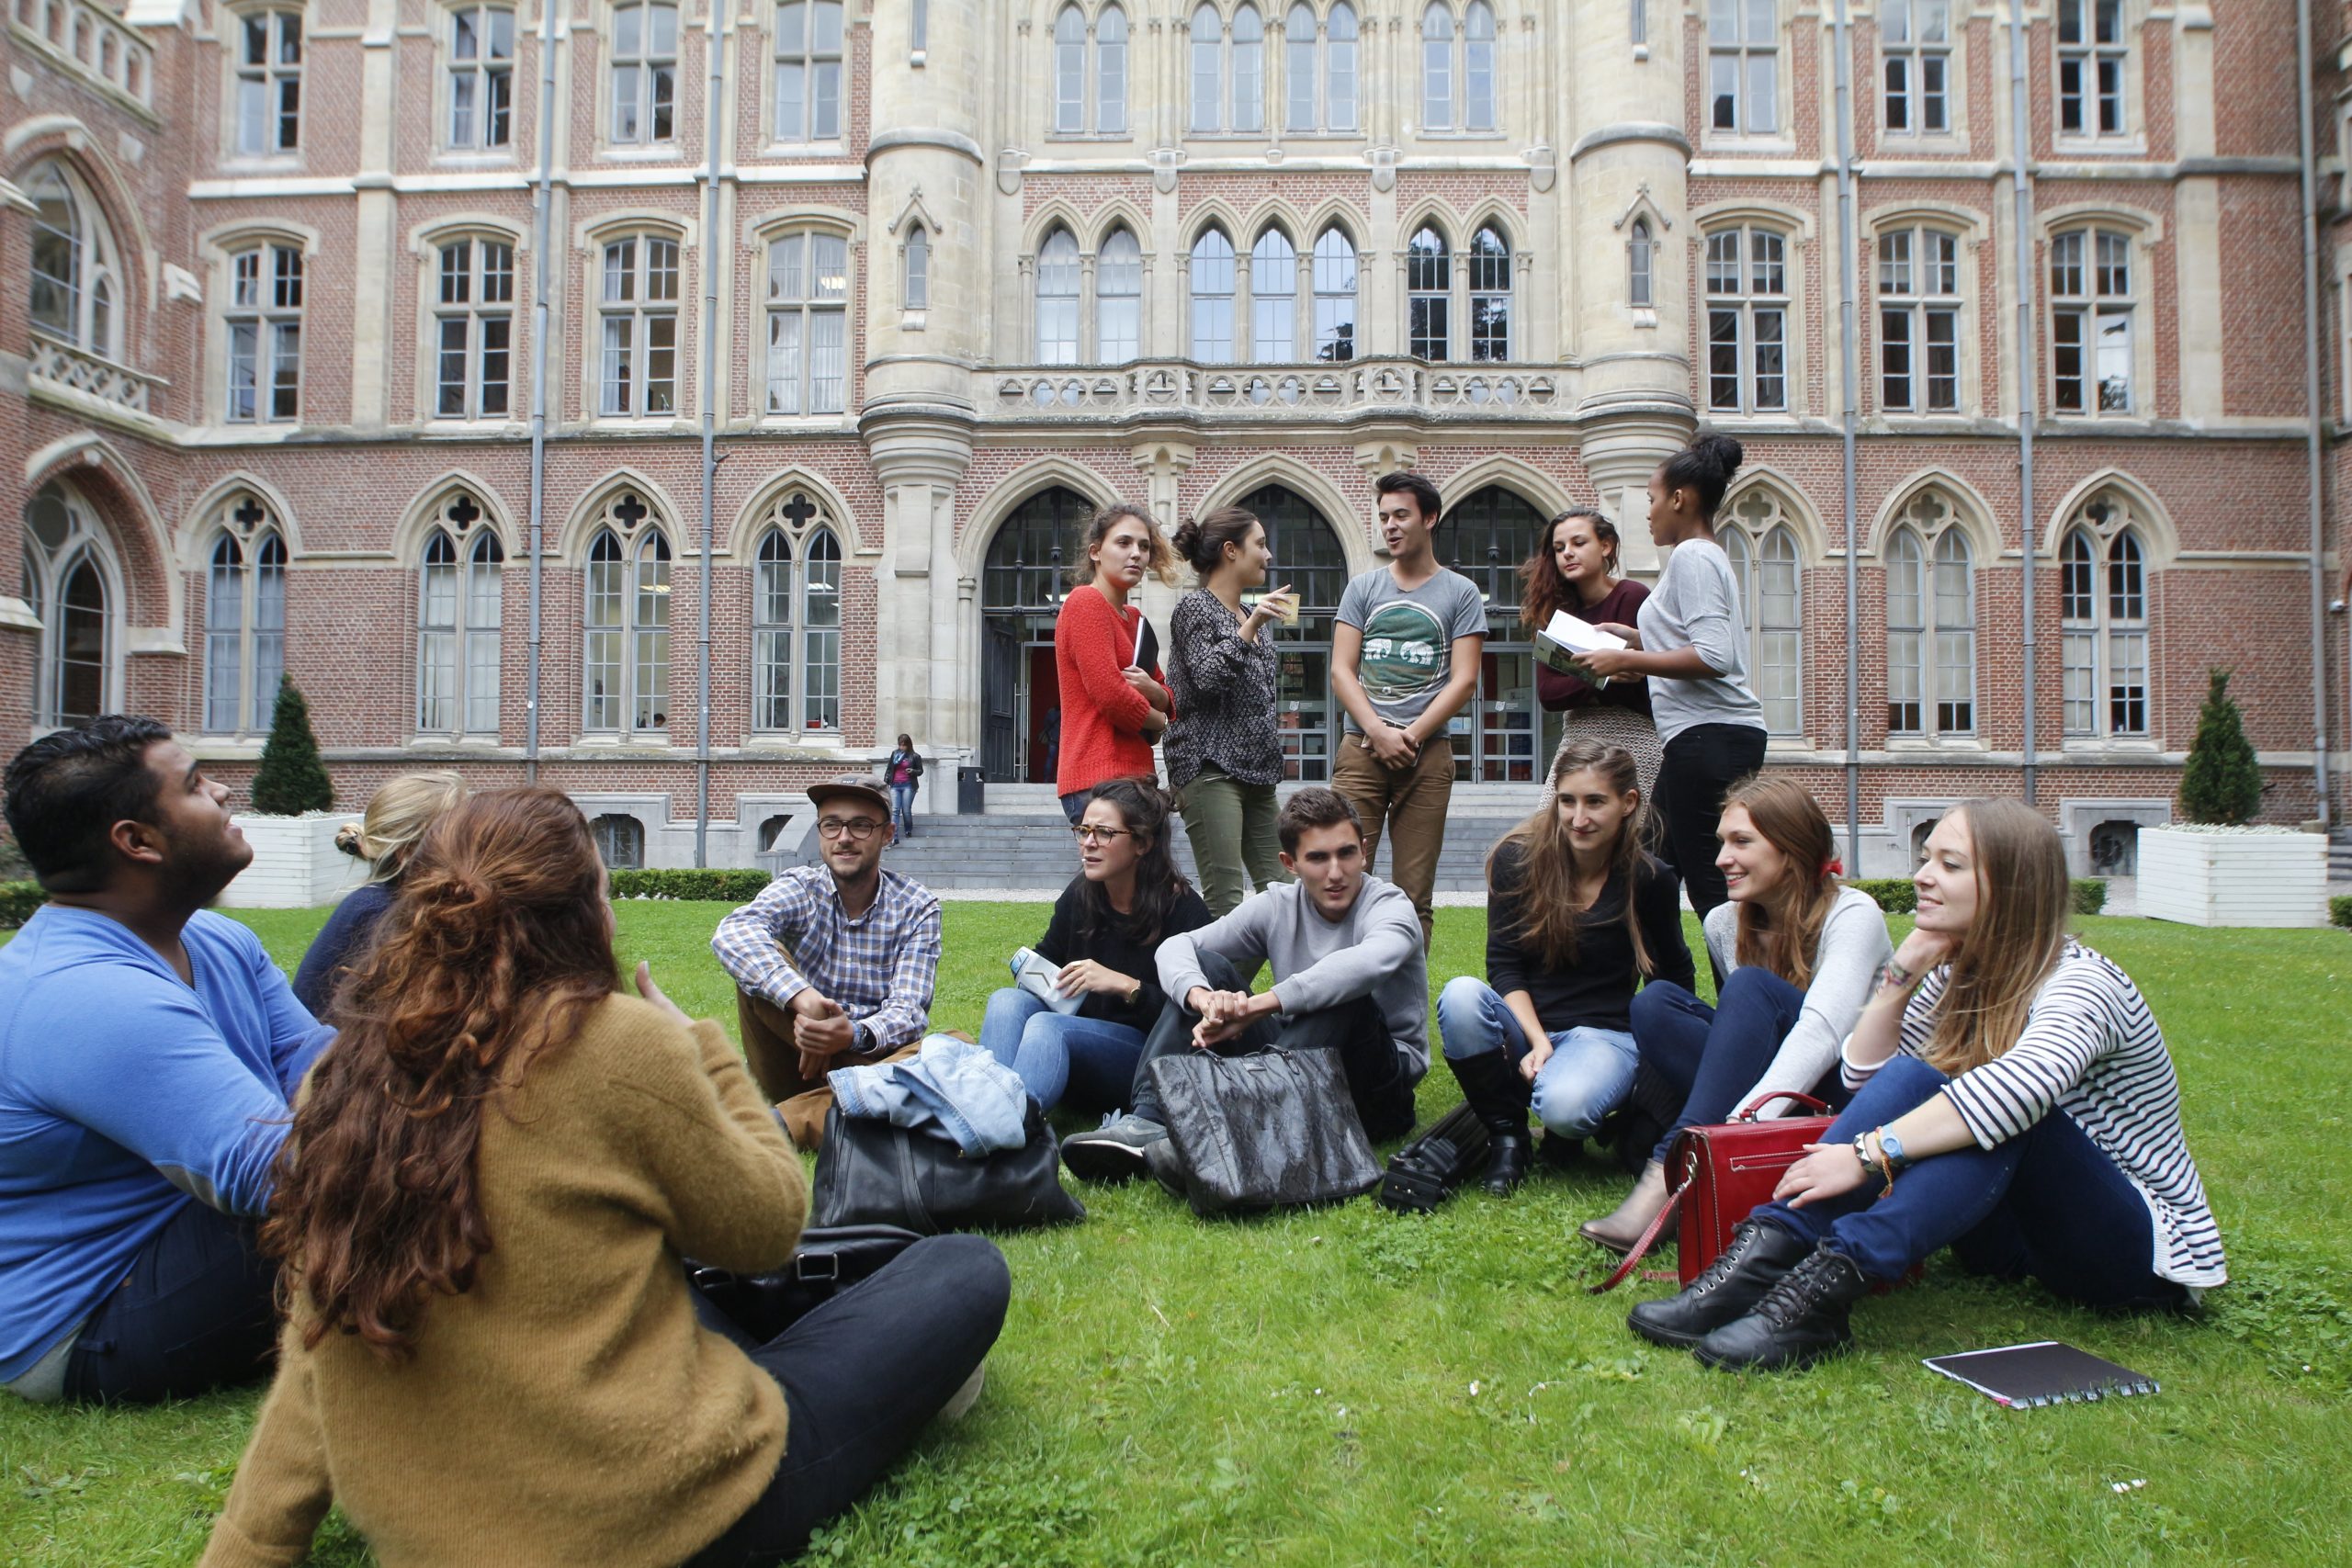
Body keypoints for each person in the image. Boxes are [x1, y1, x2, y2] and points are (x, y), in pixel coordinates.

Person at [195, 788, 1011, 1566]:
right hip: (667, 1511)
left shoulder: (342, 1076)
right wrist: (702, 1053)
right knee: (961, 1268)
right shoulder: (617, 1045)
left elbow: (317, 1337)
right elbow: (766, 1227)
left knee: (667, 1266)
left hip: (444, 1536)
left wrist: (253, 1545)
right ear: (585, 910)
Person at [1626, 798, 2223, 1373]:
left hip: (2128, 1254)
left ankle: (1820, 1292)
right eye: (1925, 857)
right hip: (2009, 1241)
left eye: (1949, 864)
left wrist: (1866, 1155)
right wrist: (1903, 972)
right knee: (1919, 1076)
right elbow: (1866, 1079)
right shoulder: (1956, 977)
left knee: (2011, 1109)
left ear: (2011, 886)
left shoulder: (2083, 985)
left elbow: (2016, 1093)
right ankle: (1764, 1259)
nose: (1922, 876)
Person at [0, 716, 334, 1405]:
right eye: (194, 784)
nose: (224, 792)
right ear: (137, 841)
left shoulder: (216, 939)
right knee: (396, 1191)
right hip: (93, 1315)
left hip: (196, 1225)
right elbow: (283, 1178)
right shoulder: (87, 994)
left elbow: (324, 1069)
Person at [1581, 774, 1890, 1251]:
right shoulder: (1725, 922)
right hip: (1768, 1093)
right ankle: (1703, 1150)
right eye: (1722, 842)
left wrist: (1743, 1126)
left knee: (1750, 988)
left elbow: (1822, 1033)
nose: (1722, 858)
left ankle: (1667, 1178)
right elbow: (1741, 1040)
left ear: (1792, 847)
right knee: (1656, 1003)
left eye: (1742, 841)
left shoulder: (1853, 914)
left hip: (1845, 1100)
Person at [1058, 787, 1425, 1180]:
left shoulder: (1391, 907)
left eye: (1346, 853)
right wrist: (1202, 999)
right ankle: (1147, 1123)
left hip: (1377, 1088)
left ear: (1364, 851)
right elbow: (1177, 947)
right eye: (1318, 858)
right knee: (1207, 965)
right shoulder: (1278, 905)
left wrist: (1254, 1008)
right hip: (1295, 1064)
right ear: (1290, 863)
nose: (1335, 872)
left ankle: (1230, 1136)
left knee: (1344, 999)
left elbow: (1362, 966)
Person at [1435, 742, 1694, 1196]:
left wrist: (1655, 1080)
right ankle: (1507, 1137)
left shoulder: (1649, 878)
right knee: (1459, 995)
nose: (1578, 818)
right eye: (1567, 801)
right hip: (1524, 1026)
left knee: (1566, 1109)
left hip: (1604, 1034)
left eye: (1595, 802)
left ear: (1628, 803)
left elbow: (1672, 980)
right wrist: (1536, 1040)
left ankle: (1571, 1119)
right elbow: (1504, 964)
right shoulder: (1517, 862)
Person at [1574, 432, 1767, 920]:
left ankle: (1749, 994)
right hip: (1698, 740)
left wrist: (1626, 662)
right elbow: (1695, 642)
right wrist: (1634, 638)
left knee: (1712, 890)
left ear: (1679, 499)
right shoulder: (1699, 557)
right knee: (1648, 876)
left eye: (1652, 499)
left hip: (1710, 739)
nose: (1648, 512)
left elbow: (1713, 656)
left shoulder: (1692, 557)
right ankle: (1663, 989)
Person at [712, 776, 944, 1128]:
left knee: (951, 1046)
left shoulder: (916, 905)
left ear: (887, 834)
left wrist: (851, 1034)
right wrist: (804, 1002)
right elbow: (734, 931)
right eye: (831, 825)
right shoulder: (800, 887)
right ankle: (869, 1103)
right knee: (761, 960)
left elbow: (908, 1012)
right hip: (798, 1061)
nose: (844, 838)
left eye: (861, 826)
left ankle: (786, 1122)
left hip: (869, 1058)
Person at [978, 778, 1213, 1113]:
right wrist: (1035, 970)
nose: (1088, 843)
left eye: (1104, 833)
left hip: (1147, 1059)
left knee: (1048, 1027)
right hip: (1077, 1043)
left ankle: (1012, 1124)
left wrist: (1127, 987)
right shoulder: (1082, 894)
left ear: (1142, 843)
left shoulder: (1183, 910)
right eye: (1083, 830)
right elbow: (1050, 955)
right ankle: (985, 1109)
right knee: (1007, 1001)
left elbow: (1194, 1019)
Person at [1329, 471, 1488, 946]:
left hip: (1428, 755)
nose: (1390, 526)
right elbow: (1341, 670)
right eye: (1383, 518)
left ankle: (1403, 1015)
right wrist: (1377, 731)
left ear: (1430, 518)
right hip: (1361, 750)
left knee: (1412, 896)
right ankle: (1337, 1004)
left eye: (1401, 515)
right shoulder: (1363, 588)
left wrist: (1410, 736)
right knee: (1338, 882)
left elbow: (1464, 680)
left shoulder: (1460, 593)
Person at [1164, 506, 1297, 916]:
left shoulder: (1246, 616)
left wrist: (1251, 622)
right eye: (1260, 544)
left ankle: (1232, 983)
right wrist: (1251, 625)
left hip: (1256, 773)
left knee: (1288, 898)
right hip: (1209, 769)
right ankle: (1204, 982)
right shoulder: (1195, 609)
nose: (1268, 555)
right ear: (1230, 551)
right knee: (1226, 900)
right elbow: (1207, 678)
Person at [292, 769, 467, 1016]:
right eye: (461, 836)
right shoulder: (378, 912)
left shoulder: (399, 903)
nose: (473, 847)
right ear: (407, 852)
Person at [1525, 508, 1659, 812]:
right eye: (1559, 548)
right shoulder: (1555, 613)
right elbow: (1548, 695)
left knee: (1629, 838)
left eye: (1578, 543)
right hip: (1576, 737)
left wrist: (1578, 677)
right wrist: (1604, 676)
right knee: (1552, 832)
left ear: (1606, 546)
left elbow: (1630, 687)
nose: (1567, 554)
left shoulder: (1632, 596)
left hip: (1635, 737)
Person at [1054, 502, 1178, 822]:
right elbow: (1111, 696)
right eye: (1123, 543)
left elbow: (1166, 694)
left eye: (1144, 546)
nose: (1135, 553)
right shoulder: (1085, 602)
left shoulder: (1136, 620)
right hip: (1097, 781)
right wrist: (1160, 722)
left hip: (1138, 779)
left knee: (1136, 874)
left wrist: (1156, 692)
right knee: (1111, 873)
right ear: (1095, 552)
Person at [883, 735, 923, 840]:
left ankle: (908, 829)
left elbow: (920, 771)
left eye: (904, 745)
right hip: (895, 785)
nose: (902, 747)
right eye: (900, 745)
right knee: (895, 810)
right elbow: (889, 769)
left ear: (908, 745)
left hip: (908, 785)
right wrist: (886, 780)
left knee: (906, 810)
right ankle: (894, 835)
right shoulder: (895, 754)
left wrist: (913, 771)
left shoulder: (915, 756)